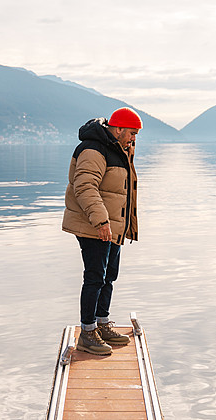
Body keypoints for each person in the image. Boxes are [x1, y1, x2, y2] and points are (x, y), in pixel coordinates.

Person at [62, 107, 141, 355]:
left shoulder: (119, 149)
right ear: (117, 129)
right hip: (94, 225)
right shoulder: (93, 149)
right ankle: (87, 332)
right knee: (95, 276)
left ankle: (101, 323)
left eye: (136, 135)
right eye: (130, 133)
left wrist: (120, 224)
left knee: (110, 275)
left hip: (113, 225)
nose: (133, 139)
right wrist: (101, 221)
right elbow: (84, 187)